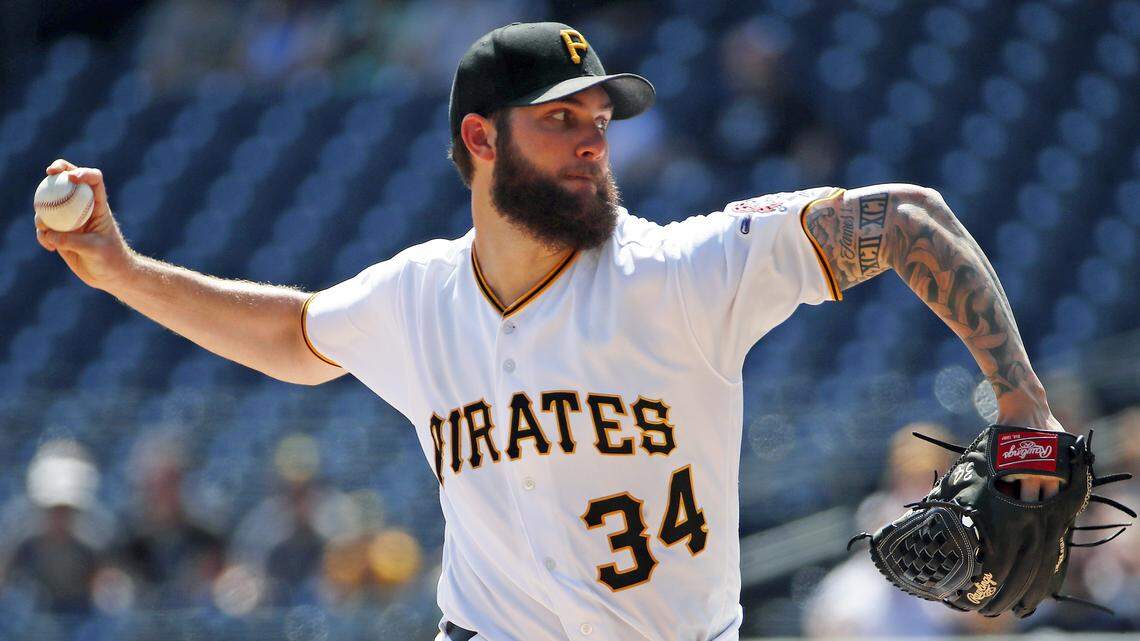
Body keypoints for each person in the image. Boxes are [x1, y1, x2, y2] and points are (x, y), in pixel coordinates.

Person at [35, 21, 1069, 641]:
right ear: (479, 137)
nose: (591, 142)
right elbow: (294, 336)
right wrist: (122, 271)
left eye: (599, 121)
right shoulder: (416, 296)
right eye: (560, 119)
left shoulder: (682, 270)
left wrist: (1023, 405)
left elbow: (907, 219)